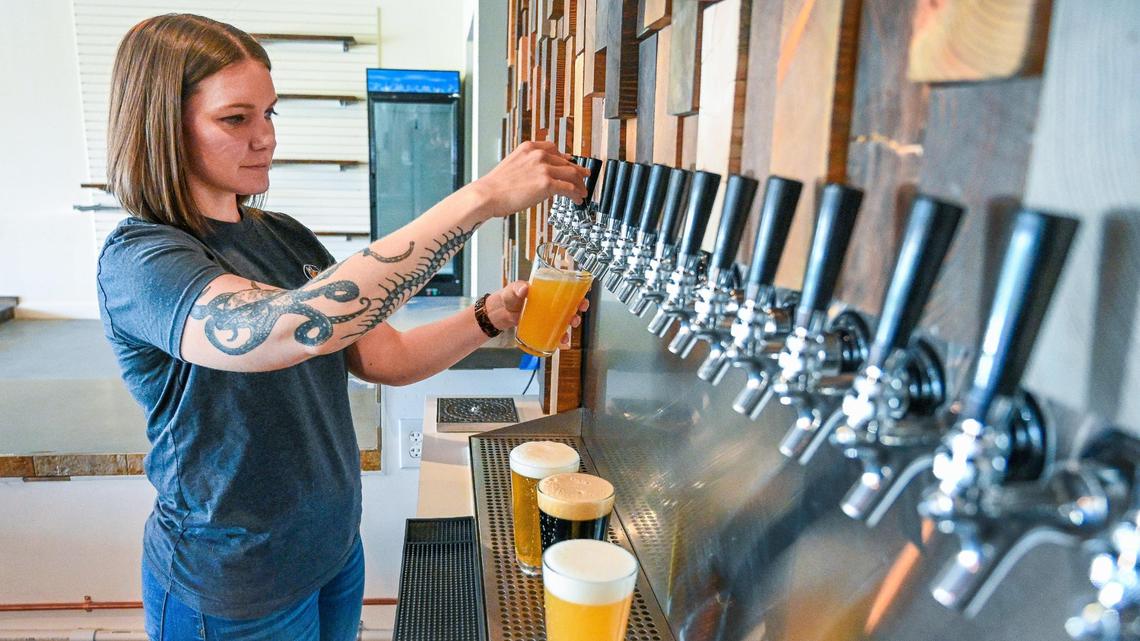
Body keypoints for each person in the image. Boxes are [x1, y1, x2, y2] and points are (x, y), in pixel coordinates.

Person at [95, 13, 590, 641]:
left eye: (270, 114)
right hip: (234, 588)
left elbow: (386, 356)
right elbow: (283, 330)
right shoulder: (143, 257)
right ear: (161, 125)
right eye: (235, 118)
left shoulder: (284, 235)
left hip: (331, 554)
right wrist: (479, 200)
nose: (265, 138)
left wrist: (491, 316)